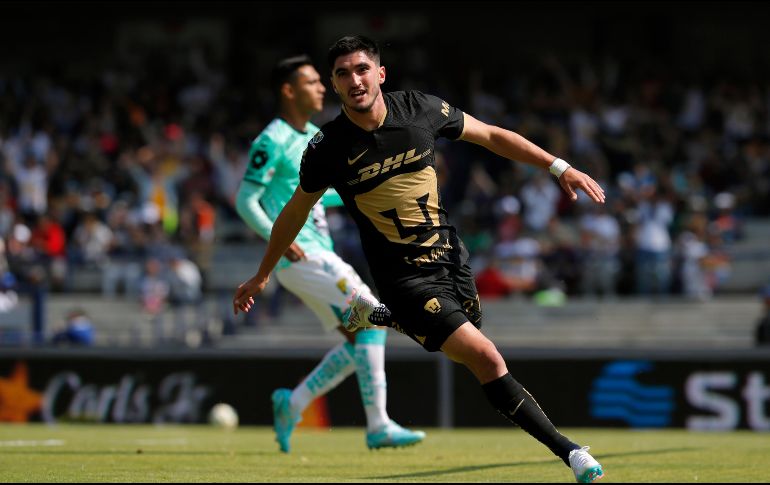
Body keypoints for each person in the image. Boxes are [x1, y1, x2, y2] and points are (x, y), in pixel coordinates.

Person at [233, 36, 605, 483]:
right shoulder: (326, 147)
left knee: (464, 342)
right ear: (334, 85)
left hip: (450, 257)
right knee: (486, 358)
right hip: (402, 276)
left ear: (380, 73)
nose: (355, 80)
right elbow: (294, 211)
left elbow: (490, 135)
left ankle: (381, 316)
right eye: (343, 74)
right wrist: (262, 274)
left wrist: (558, 166)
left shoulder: (420, 110)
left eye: (361, 69)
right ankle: (571, 453)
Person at [234, 54, 424, 452]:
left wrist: (371, 191)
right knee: (372, 317)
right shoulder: (272, 139)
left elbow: (320, 195)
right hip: (303, 256)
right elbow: (246, 200)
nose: (322, 88)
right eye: (311, 82)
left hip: (313, 255)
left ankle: (293, 403)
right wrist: (282, 240)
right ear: (289, 91)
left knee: (357, 339)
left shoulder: (311, 138)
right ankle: (378, 426)